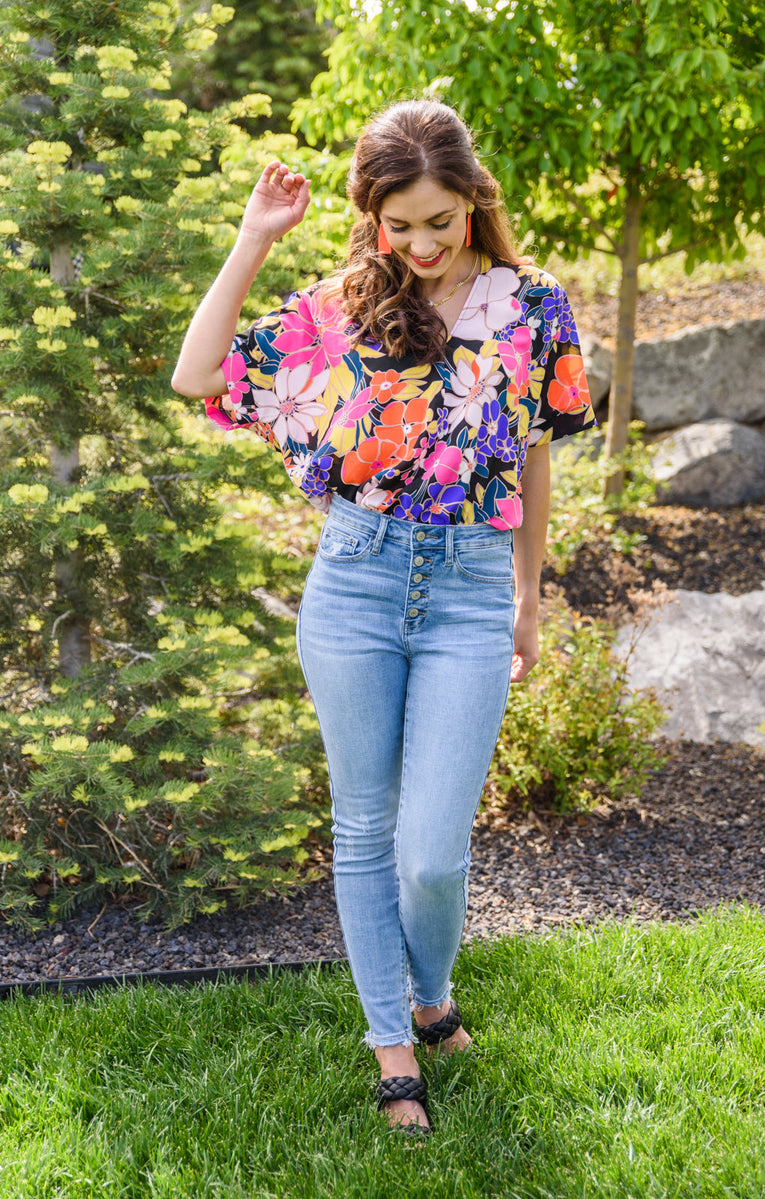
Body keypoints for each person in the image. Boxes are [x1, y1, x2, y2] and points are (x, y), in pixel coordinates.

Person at [172, 99, 595, 1138]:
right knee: (364, 826)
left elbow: (534, 454)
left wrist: (528, 597)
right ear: (373, 216)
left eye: (438, 221)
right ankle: (393, 1039)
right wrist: (252, 239)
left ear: (473, 201)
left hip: (469, 585)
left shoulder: (532, 306)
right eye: (396, 224)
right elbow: (197, 375)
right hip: (355, 580)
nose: (418, 244)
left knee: (433, 851)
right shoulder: (342, 307)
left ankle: (430, 989)